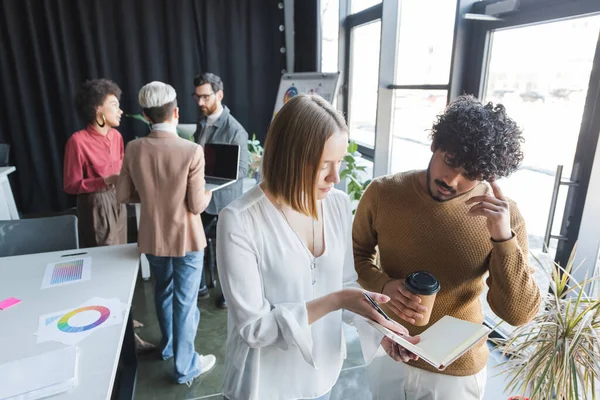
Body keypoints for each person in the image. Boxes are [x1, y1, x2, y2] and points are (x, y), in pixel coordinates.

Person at [216, 94, 419, 400]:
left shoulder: (336, 204)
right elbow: (255, 329)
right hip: (265, 384)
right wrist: (336, 300)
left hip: (321, 373)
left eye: (339, 162)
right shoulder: (239, 220)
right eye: (325, 165)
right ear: (290, 157)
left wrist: (383, 332)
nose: (334, 177)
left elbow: (347, 283)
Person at [353, 95, 542, 399]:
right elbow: (358, 256)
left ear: (486, 176)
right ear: (435, 145)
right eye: (450, 161)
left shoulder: (504, 216)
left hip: (455, 372)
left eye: (470, 174)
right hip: (390, 348)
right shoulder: (382, 193)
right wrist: (384, 285)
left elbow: (519, 314)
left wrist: (503, 239)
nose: (452, 179)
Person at [116, 81, 216, 386]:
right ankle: (185, 367)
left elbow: (123, 195)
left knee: (163, 289)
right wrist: (210, 193)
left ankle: (169, 346)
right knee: (185, 302)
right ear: (175, 112)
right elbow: (197, 204)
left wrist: (152, 196)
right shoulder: (191, 150)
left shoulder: (133, 148)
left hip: (153, 236)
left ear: (146, 116)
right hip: (187, 237)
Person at [64, 78, 155, 353]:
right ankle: (122, 334)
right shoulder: (77, 142)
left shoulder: (116, 137)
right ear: (98, 111)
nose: (121, 111)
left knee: (122, 262)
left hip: (119, 201)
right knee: (106, 268)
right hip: (95, 206)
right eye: (114, 105)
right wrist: (104, 180)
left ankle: (125, 316)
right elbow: (70, 184)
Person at [193, 72, 249, 308]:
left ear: (219, 95)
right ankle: (200, 286)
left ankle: (230, 292)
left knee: (230, 251)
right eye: (197, 97)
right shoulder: (202, 123)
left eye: (205, 97)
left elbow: (243, 169)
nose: (200, 103)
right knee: (194, 240)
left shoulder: (235, 129)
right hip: (201, 194)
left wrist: (217, 180)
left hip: (223, 199)